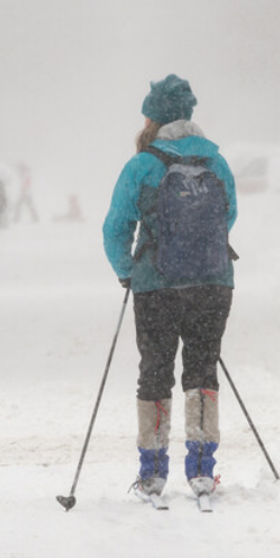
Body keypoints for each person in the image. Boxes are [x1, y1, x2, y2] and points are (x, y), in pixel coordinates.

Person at [102, 74, 238, 500]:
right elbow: (228, 217)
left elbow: (115, 228)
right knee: (202, 371)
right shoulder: (216, 162)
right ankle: (201, 468)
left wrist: (129, 269)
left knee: (155, 371)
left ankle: (153, 472)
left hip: (156, 286)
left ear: (154, 119)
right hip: (213, 283)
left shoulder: (142, 165)